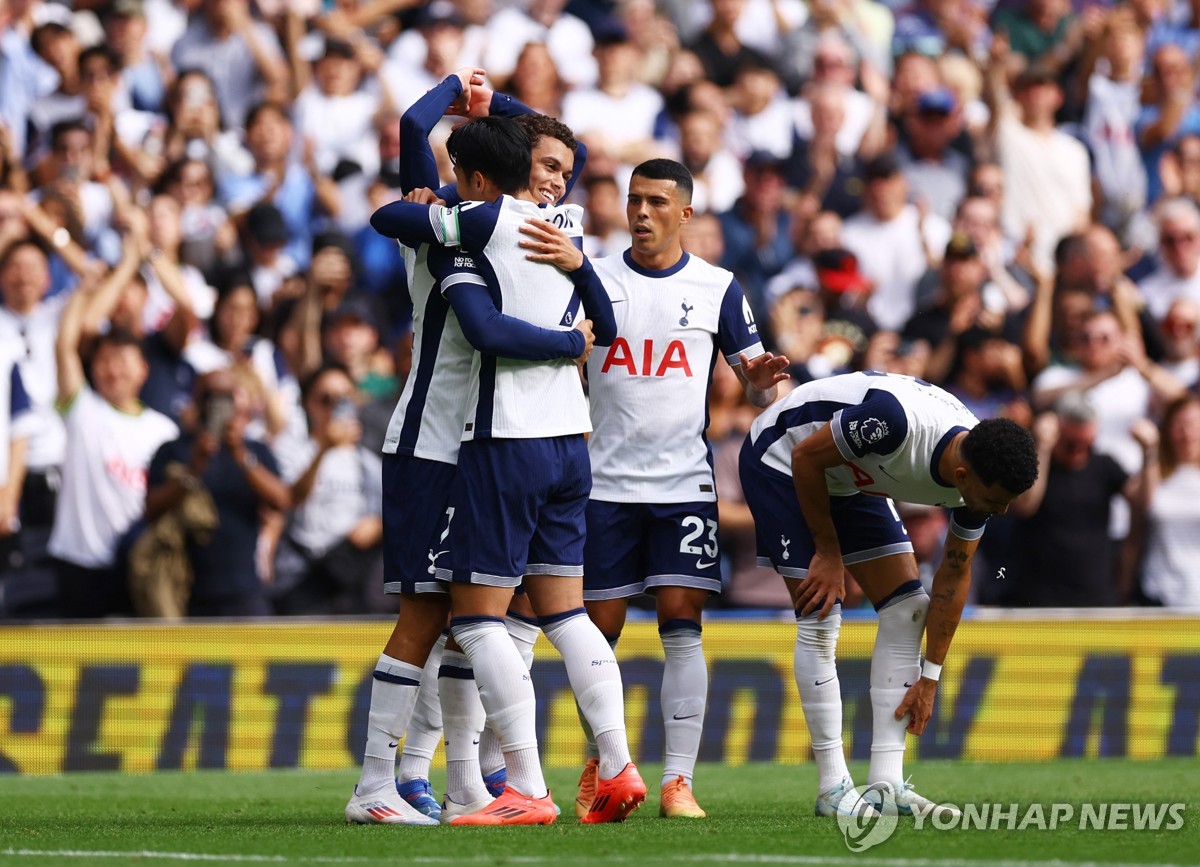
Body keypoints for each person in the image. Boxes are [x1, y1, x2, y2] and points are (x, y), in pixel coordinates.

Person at [340, 76, 600, 827]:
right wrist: (466, 96)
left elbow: (554, 147)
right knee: (430, 613)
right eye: (532, 167)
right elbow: (411, 140)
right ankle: (377, 783)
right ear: (489, 178)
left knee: (467, 616)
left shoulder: (496, 216)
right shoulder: (450, 219)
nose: (550, 180)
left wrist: (481, 104)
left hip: (477, 442)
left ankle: (449, 780)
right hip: (431, 438)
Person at [579, 158, 789, 819]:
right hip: (604, 483)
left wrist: (764, 378)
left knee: (681, 624)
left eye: (656, 203)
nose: (641, 213)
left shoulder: (719, 287)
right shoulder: (592, 278)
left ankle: (677, 781)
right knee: (596, 633)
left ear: (686, 214)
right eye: (634, 200)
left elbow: (755, 379)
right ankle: (607, 766)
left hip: (681, 482)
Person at [738, 371, 1038, 816]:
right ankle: (833, 788)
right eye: (996, 501)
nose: (1003, 511)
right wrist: (828, 550)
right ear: (961, 476)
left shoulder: (979, 472)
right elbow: (806, 457)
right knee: (822, 613)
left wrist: (930, 678)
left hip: (848, 472)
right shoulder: (894, 424)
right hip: (784, 458)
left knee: (908, 609)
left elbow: (953, 577)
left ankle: (887, 784)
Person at [47, 239, 180, 618]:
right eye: (104, 360)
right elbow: (65, 345)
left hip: (134, 561)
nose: (112, 369)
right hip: (77, 561)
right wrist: (81, 293)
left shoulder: (163, 431)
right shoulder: (83, 409)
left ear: (144, 369)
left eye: (123, 360)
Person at [1133, 394, 1200, 607]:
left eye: (1193, 425)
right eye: (1180, 425)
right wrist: (1149, 449)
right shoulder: (1155, 472)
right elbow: (1143, 507)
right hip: (1158, 593)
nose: (1187, 434)